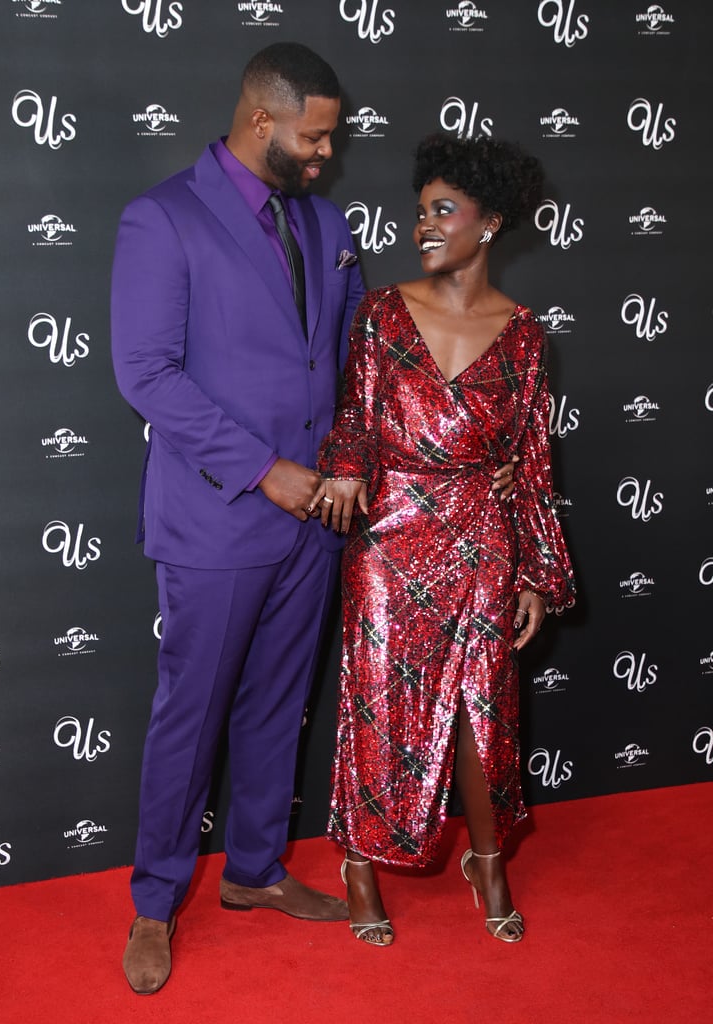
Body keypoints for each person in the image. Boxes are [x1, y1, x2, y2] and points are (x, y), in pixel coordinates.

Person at [112, 44, 517, 992]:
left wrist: (461, 464)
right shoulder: (162, 219)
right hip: (219, 518)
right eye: (316, 135)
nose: (327, 154)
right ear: (263, 121)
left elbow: (350, 373)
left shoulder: (327, 224)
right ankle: (154, 900)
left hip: (316, 523)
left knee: (276, 707)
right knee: (192, 715)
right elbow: (146, 375)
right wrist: (265, 472)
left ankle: (253, 872)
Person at [317, 134, 576, 946]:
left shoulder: (526, 336)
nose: (423, 225)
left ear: (490, 223)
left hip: (483, 538)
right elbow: (356, 418)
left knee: (481, 711)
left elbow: (532, 460)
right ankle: (360, 862)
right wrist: (350, 472)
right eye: (420, 210)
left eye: (442, 210)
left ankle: (488, 860)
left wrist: (535, 568)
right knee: (376, 703)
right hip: (392, 535)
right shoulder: (383, 312)